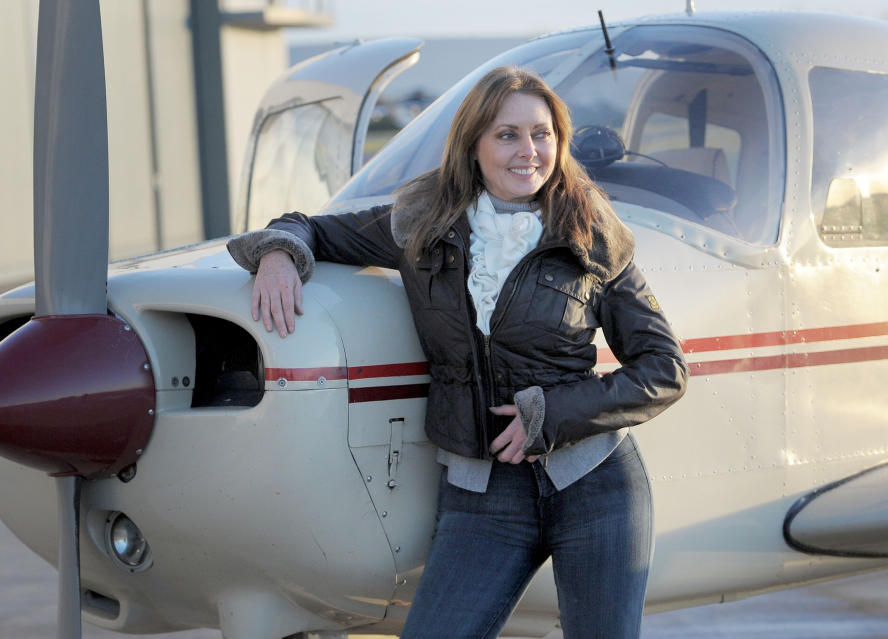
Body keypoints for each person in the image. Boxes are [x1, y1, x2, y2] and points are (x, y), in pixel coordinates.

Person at [227, 66, 688, 639]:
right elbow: (308, 228)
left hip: (594, 485)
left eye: (542, 134)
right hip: (483, 497)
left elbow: (663, 369)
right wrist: (277, 256)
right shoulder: (422, 223)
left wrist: (550, 415)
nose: (529, 151)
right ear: (473, 144)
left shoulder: (588, 230)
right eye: (507, 135)